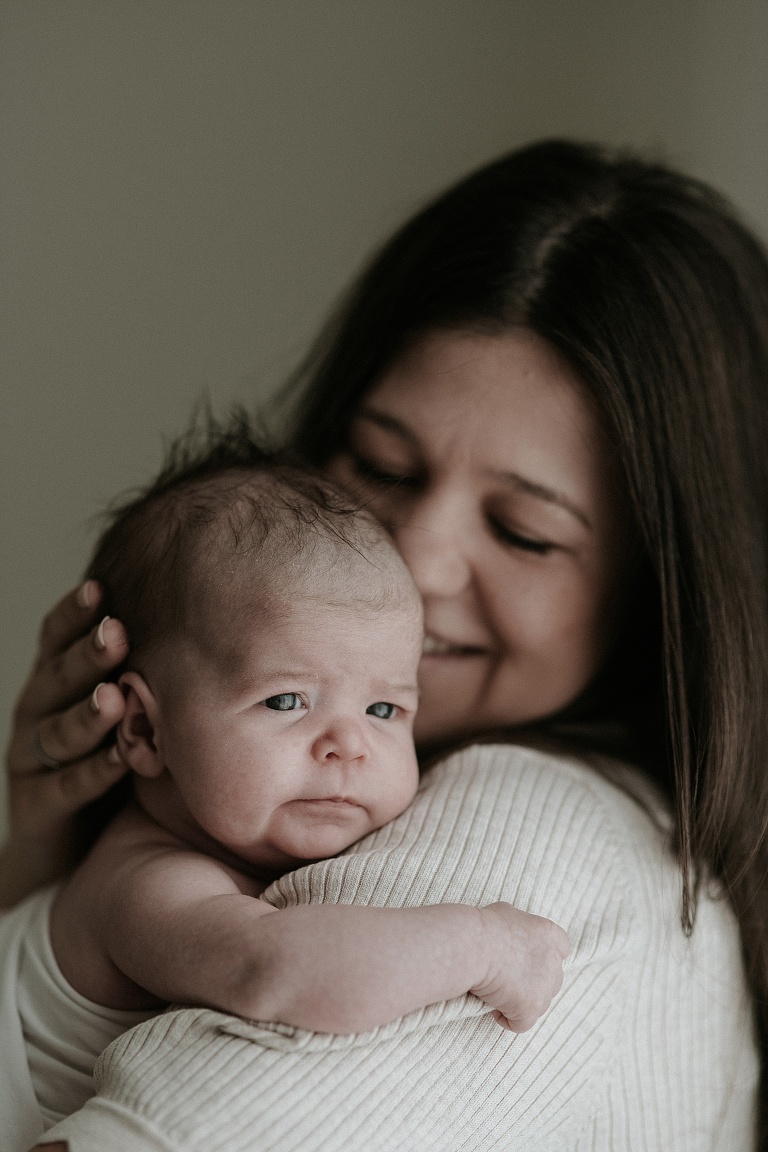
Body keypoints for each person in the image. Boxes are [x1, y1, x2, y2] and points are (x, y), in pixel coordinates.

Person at [6, 138, 768, 1149]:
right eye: (382, 467)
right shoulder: (177, 860)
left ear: (660, 592)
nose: (414, 558)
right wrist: (38, 852)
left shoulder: (535, 830)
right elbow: (262, 967)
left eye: (523, 532)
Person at [31, 425, 567, 1130]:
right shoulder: (146, 881)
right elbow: (276, 971)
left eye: (384, 709)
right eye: (286, 701)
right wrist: (483, 944)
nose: (349, 745)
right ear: (143, 731)